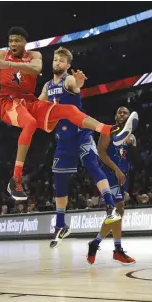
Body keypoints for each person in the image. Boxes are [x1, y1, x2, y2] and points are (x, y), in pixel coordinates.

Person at [0, 27, 138, 201]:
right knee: (30, 123)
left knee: (69, 110)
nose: (13, 43)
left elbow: (35, 69)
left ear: (24, 42)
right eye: (11, 40)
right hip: (8, 102)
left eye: (17, 40)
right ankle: (16, 179)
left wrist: (9, 65)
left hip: (29, 101)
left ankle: (110, 130)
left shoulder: (34, 55)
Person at [38, 47, 137, 248]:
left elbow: (76, 85)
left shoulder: (69, 80)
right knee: (59, 180)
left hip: (80, 132)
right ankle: (60, 224)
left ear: (67, 65)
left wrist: (79, 83)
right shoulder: (48, 86)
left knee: (92, 164)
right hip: (63, 138)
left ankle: (110, 207)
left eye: (61, 61)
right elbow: (38, 107)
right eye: (55, 60)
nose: (57, 63)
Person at [87, 107, 137, 265]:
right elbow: (101, 153)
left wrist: (133, 143)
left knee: (118, 213)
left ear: (129, 117)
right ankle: (117, 249)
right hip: (109, 174)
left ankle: (96, 243)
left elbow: (128, 155)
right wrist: (116, 170)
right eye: (119, 112)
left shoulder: (129, 135)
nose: (122, 114)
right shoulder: (108, 130)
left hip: (122, 175)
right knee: (117, 210)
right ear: (115, 115)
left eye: (125, 113)